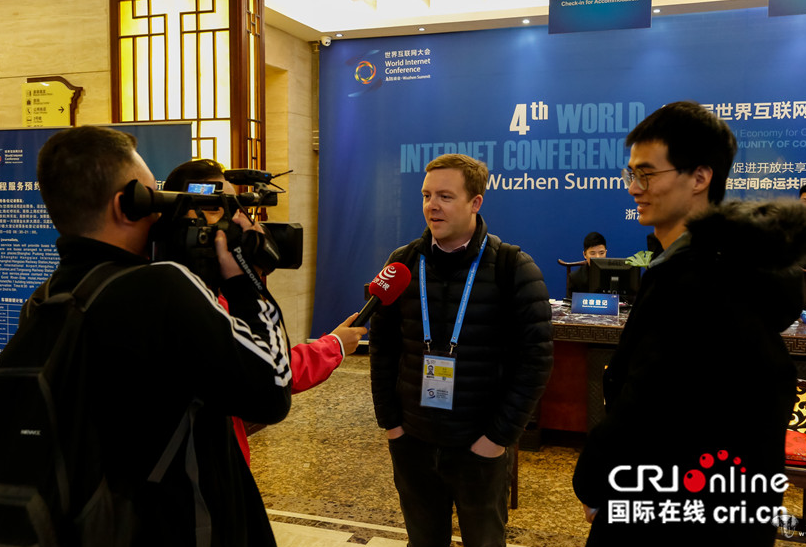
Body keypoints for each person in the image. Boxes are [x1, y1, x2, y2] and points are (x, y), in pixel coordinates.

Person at [572, 101, 806, 545]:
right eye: (631, 173)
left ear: (700, 177)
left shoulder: (699, 281)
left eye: (647, 174)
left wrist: (595, 481)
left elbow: (646, 405)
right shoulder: (731, 268)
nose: (633, 187)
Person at [33, 126, 292, 545]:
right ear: (125, 205)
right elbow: (274, 388)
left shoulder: (46, 299)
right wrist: (248, 283)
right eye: (155, 198)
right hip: (179, 527)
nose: (163, 214)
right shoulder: (162, 288)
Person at [369, 153, 554, 547]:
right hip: (413, 440)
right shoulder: (402, 263)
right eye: (426, 195)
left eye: (445, 196)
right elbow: (382, 349)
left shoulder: (513, 267)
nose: (432, 206)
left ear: (475, 202)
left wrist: (497, 438)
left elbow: (535, 361)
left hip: (479, 446)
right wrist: (392, 425)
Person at [164, 159, 367, 464]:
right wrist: (333, 346)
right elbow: (272, 375)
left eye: (236, 208)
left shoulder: (217, 291)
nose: (236, 221)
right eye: (217, 206)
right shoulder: (187, 300)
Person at [567, 231, 608, 297]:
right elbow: (570, 302)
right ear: (584, 254)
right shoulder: (575, 277)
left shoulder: (615, 275)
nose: (597, 257)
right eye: (592, 253)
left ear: (606, 252)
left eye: (601, 253)